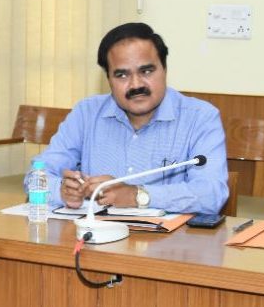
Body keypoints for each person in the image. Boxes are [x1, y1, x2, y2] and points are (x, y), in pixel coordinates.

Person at [26, 22, 228, 214]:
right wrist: (62, 191)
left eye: (146, 71)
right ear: (108, 79)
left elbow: (211, 195)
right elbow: (36, 176)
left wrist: (136, 195)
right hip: (95, 233)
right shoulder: (86, 113)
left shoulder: (200, 118)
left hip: (170, 238)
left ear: (164, 69)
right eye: (122, 75)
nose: (136, 85)